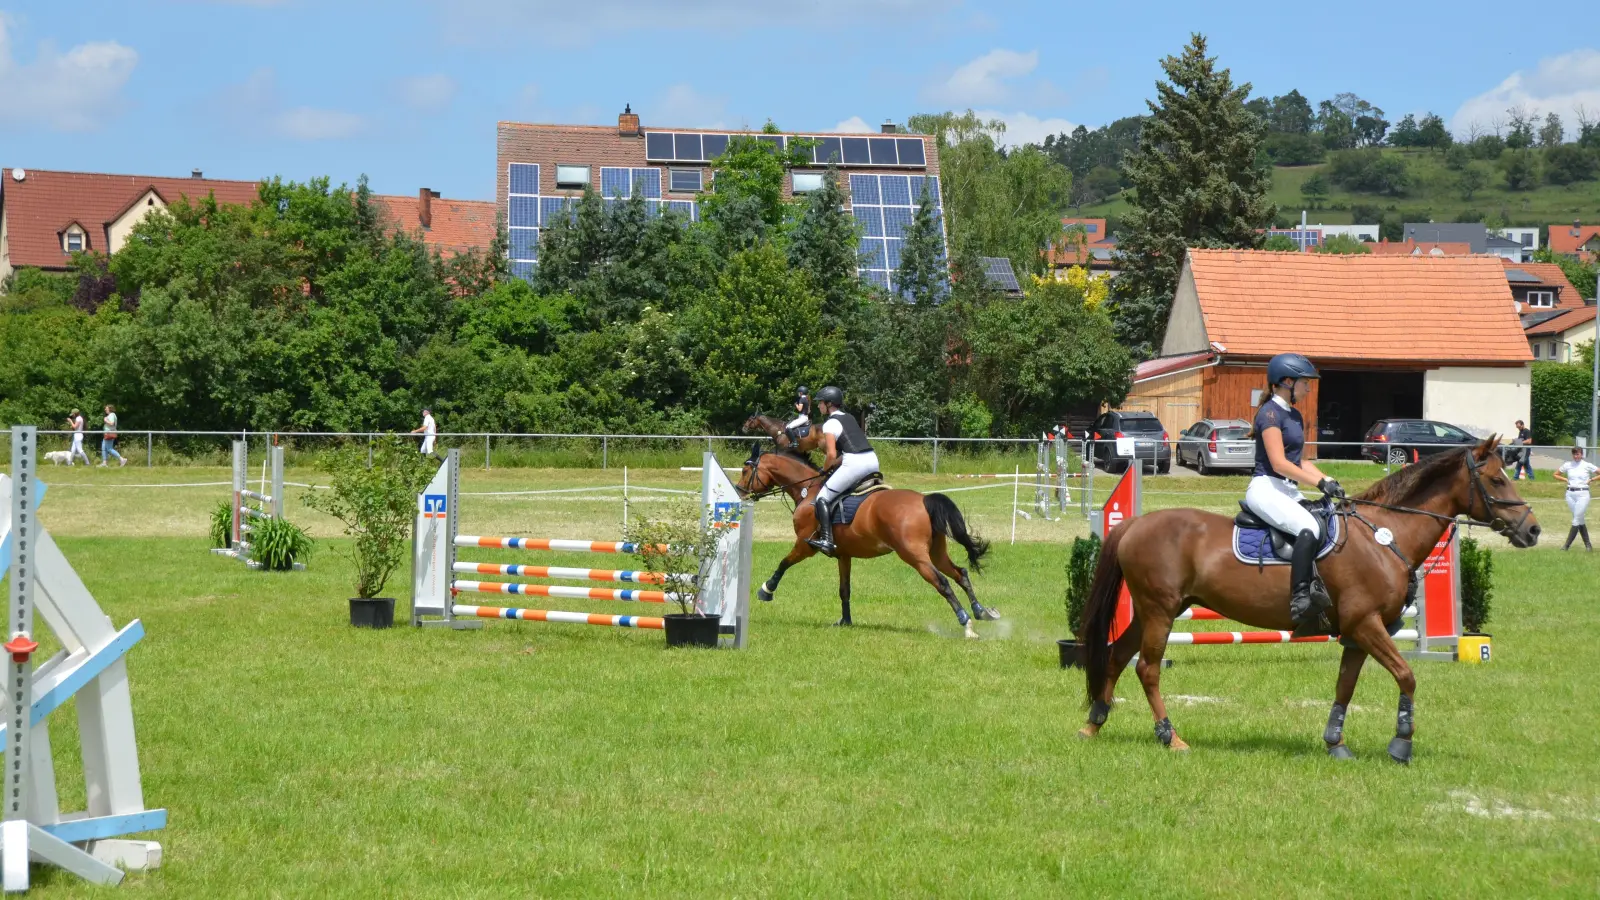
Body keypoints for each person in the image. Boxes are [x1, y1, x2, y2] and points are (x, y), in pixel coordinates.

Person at [1243, 354, 1345, 637]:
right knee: (1309, 526)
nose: (1308, 388)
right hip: (1266, 487)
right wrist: (1318, 484)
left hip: (1286, 489)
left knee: (1326, 518)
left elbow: (1298, 461)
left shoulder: (1294, 415)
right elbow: (1279, 463)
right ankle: (1300, 600)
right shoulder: (1270, 414)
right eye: (1304, 383)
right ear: (1286, 382)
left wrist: (1327, 480)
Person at [805, 386, 880, 557]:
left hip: (854, 464)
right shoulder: (849, 417)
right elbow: (846, 452)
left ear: (829, 404)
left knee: (822, 497)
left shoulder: (830, 423)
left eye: (821, 403)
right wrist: (833, 464)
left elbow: (831, 454)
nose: (819, 406)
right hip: (872, 460)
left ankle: (826, 540)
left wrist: (824, 470)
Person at [1553, 446, 1598, 551]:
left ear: (1581, 454)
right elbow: (1555, 474)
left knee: (1576, 519)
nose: (1576, 456)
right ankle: (1588, 545)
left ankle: (1566, 546)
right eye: (1574, 454)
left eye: (1578, 454)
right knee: (1580, 519)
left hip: (1583, 494)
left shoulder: (1587, 465)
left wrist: (1591, 479)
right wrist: (1564, 479)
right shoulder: (1568, 465)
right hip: (1570, 494)